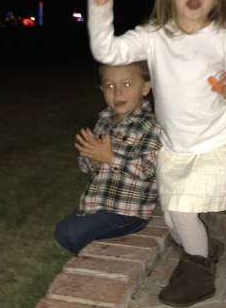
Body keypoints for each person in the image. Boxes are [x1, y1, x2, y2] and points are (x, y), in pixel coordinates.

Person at [85, 0, 226, 307]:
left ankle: (198, 276)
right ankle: (204, 250)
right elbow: (108, 52)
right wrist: (100, 6)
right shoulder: (155, 36)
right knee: (172, 215)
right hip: (175, 148)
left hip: (215, 142)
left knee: (181, 211)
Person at [54, 60, 162, 255]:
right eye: (110, 86)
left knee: (71, 234)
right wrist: (93, 159)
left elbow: (149, 171)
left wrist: (111, 158)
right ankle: (98, 251)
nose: (118, 92)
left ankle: (102, 259)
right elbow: (85, 165)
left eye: (127, 84)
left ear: (145, 88)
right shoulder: (104, 121)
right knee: (62, 231)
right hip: (98, 203)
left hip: (128, 212)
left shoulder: (150, 126)